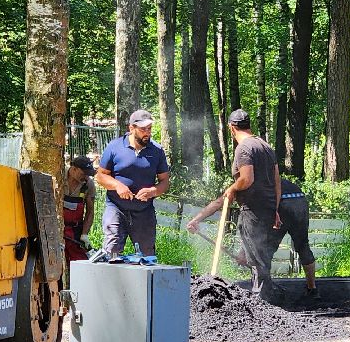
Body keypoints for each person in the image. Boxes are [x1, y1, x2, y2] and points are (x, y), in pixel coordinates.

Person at [184, 110, 283, 299]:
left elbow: (246, 179)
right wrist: (276, 209)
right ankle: (264, 300)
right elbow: (277, 182)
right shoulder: (266, 147)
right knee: (256, 256)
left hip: (252, 211)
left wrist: (233, 186)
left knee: (257, 260)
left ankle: (261, 301)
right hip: (267, 209)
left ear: (231, 128)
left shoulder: (244, 148)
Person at [185, 165, 319, 300]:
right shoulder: (266, 181)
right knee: (302, 246)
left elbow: (221, 204)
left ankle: (263, 293)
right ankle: (311, 288)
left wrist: (196, 220)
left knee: (262, 251)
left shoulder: (244, 185)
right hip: (298, 198)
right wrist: (245, 252)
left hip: (280, 205)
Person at [95, 109, 171, 258]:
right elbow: (100, 176)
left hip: (144, 212)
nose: (147, 133)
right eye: (143, 129)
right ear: (131, 128)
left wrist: (153, 191)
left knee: (147, 255)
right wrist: (117, 185)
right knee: (112, 250)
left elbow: (164, 182)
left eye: (149, 129)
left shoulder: (157, 151)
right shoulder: (114, 147)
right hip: (116, 208)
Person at [62, 155, 96, 263]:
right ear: (74, 169)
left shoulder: (89, 185)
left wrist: (84, 234)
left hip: (75, 231)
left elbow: (90, 211)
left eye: (88, 174)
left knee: (79, 261)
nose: (86, 177)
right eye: (84, 173)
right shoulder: (59, 176)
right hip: (57, 228)